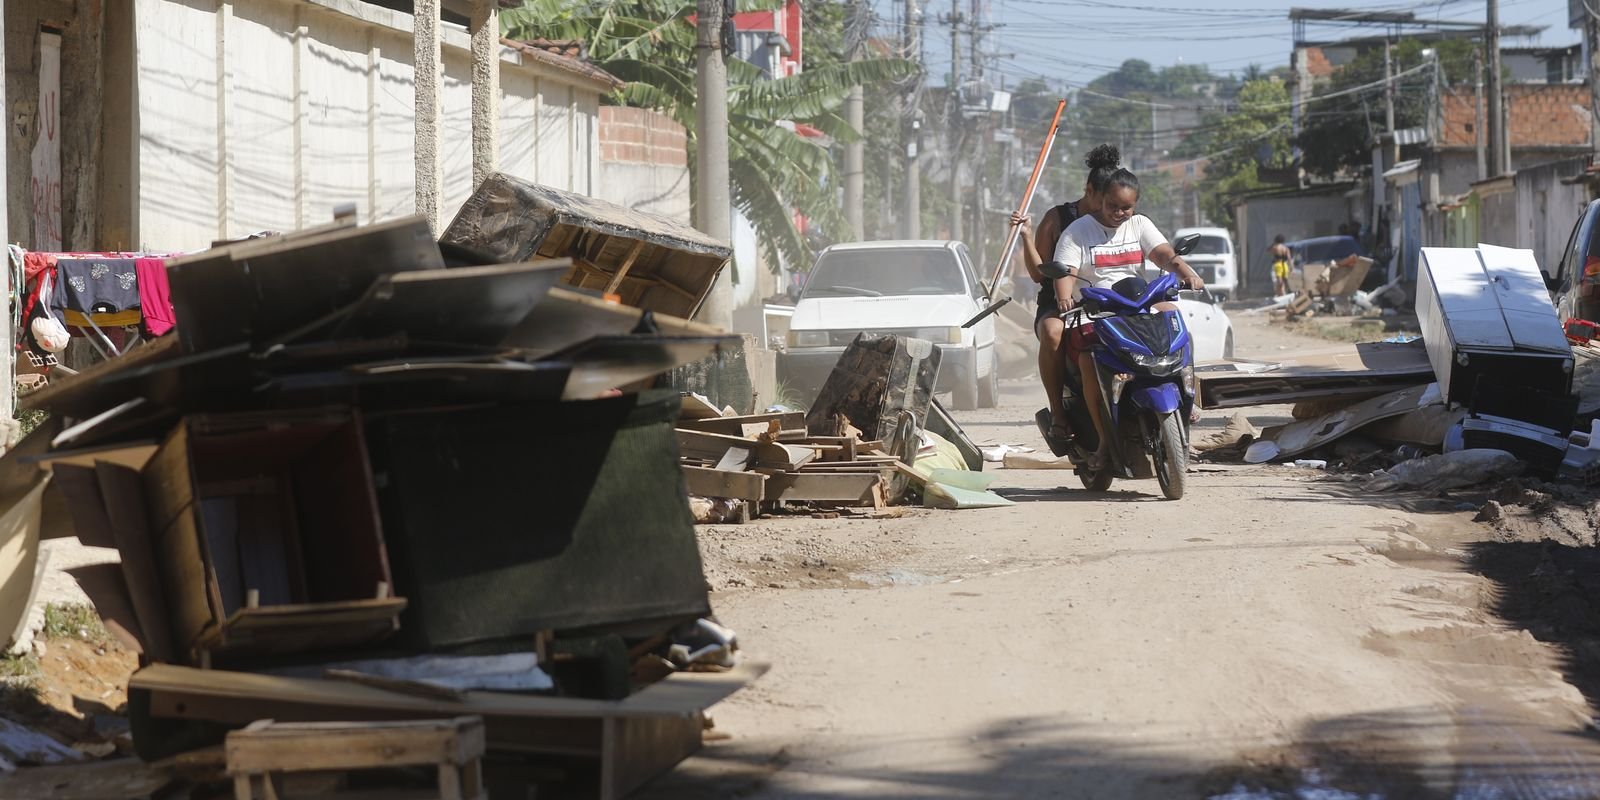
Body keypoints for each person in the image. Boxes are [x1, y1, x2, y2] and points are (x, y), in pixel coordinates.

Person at [1053, 167, 1205, 470]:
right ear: (1101, 200)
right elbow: (1065, 271)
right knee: (1088, 360)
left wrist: (1187, 272)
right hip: (1097, 311)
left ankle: (1189, 393)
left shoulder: (1139, 224)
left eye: (1126, 207)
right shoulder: (1078, 231)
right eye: (1113, 206)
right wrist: (1064, 296)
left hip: (1138, 304)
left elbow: (1163, 254)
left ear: (1134, 205)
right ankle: (1104, 439)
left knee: (1175, 320)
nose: (1119, 213)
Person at [1010, 144, 1122, 442]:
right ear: (1088, 190)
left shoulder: (1121, 219)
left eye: (1116, 204)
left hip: (1111, 303)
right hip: (1063, 307)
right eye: (1104, 202)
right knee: (1053, 333)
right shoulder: (1060, 219)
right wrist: (1026, 236)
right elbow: (1037, 273)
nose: (1109, 212)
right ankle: (1058, 414)